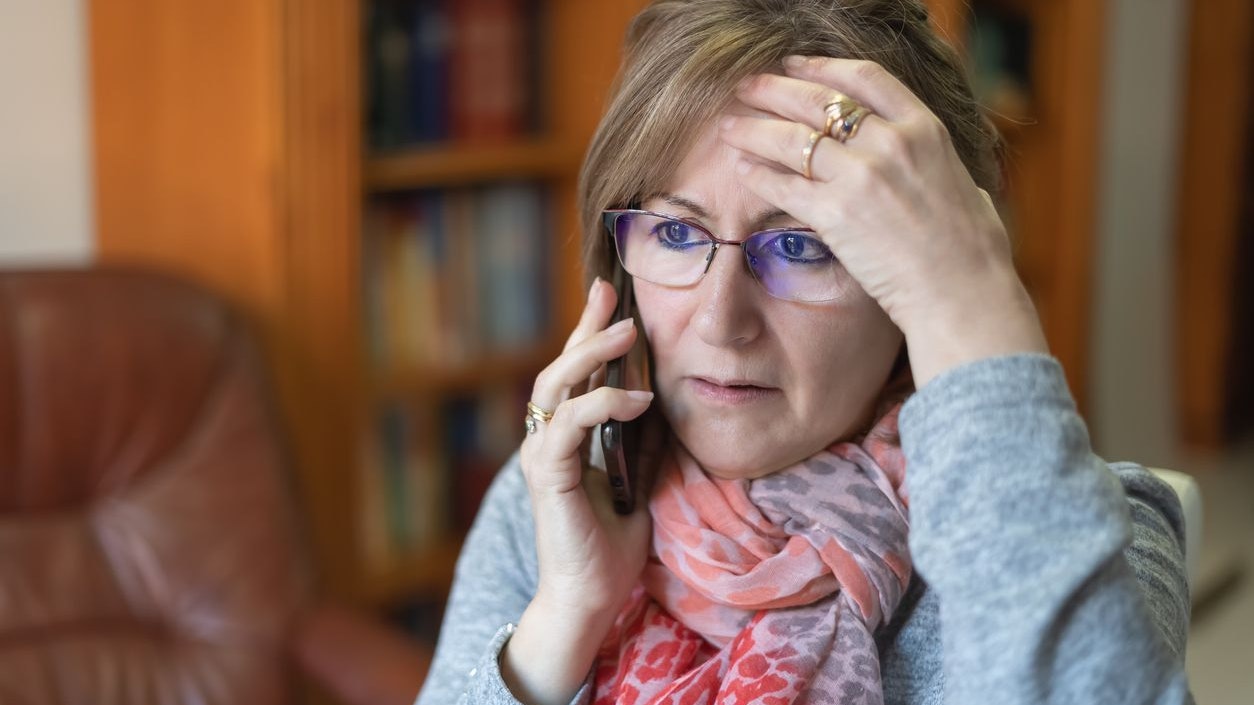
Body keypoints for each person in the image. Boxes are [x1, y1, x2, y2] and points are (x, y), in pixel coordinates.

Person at [414, 0, 1194, 703]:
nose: (721, 320)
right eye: (677, 233)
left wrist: (976, 307)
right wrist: (562, 619)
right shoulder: (559, 497)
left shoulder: (1086, 533)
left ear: (914, 282)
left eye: (799, 245)